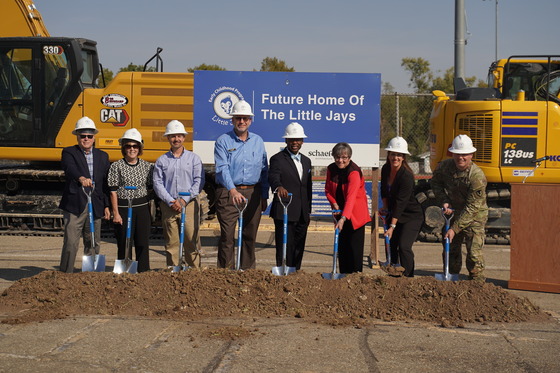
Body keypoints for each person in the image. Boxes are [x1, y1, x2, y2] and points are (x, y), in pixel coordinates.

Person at [214, 100, 269, 270]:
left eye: (245, 118)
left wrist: (264, 196)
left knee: (249, 236)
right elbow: (222, 168)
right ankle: (225, 273)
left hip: (253, 193)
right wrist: (232, 190)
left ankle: (247, 273)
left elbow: (264, 169)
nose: (242, 121)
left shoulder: (258, 141)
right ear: (232, 120)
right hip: (228, 193)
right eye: (238, 118)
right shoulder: (223, 141)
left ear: (250, 120)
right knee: (227, 236)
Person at [431, 134, 488, 281]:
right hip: (454, 212)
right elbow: (435, 183)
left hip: (475, 216)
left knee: (474, 254)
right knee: (451, 250)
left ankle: (476, 283)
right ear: (452, 154)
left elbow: (472, 208)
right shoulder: (444, 167)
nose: (461, 158)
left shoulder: (476, 176)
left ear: (471, 155)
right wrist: (444, 201)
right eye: (457, 154)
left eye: (464, 155)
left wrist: (454, 229)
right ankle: (452, 279)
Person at [59, 116, 110, 273]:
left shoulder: (103, 156)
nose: (86, 139)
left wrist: (107, 205)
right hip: (75, 203)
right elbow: (69, 168)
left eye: (89, 136)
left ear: (94, 137)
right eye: (83, 136)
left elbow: (105, 183)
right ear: (77, 137)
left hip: (95, 204)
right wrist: (81, 178)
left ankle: (89, 275)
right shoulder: (69, 152)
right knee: (71, 242)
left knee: (93, 241)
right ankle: (65, 274)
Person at [153, 120, 205, 269]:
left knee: (191, 239)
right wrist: (170, 201)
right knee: (172, 242)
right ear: (168, 138)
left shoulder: (193, 159)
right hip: (169, 206)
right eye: (172, 136)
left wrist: (184, 200)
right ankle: (173, 271)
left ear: (184, 137)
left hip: (189, 205)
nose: (176, 139)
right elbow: (158, 183)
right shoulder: (162, 160)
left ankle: (194, 272)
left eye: (179, 136)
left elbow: (198, 181)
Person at [107, 129, 154, 272]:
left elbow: (151, 189)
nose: (132, 149)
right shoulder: (116, 166)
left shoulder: (147, 167)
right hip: (123, 207)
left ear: (140, 148)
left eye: (135, 146)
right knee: (124, 242)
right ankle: (124, 271)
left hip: (141, 208)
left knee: (142, 242)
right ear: (124, 148)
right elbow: (113, 191)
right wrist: (116, 213)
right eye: (128, 146)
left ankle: (143, 271)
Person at [268, 122, 313, 270]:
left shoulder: (307, 161)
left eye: (298, 139)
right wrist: (278, 187)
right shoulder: (277, 159)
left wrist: (308, 211)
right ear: (286, 140)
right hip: (285, 210)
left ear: (302, 141)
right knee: (284, 245)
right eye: (292, 139)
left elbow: (308, 187)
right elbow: (273, 177)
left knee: (299, 246)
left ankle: (295, 273)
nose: (295, 142)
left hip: (302, 212)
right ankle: (283, 271)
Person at [380, 137, 424, 277]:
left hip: (411, 215)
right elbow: (384, 190)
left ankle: (408, 278)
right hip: (394, 212)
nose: (395, 157)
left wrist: (392, 226)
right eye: (393, 154)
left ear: (403, 157)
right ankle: (393, 276)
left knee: (404, 247)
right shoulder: (386, 169)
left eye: (399, 155)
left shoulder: (406, 176)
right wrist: (385, 206)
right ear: (388, 155)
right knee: (391, 245)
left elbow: (401, 202)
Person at [325, 142, 371, 273]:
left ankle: (356, 278)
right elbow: (327, 190)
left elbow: (351, 197)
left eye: (344, 157)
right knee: (342, 248)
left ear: (349, 157)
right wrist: (334, 203)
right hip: (339, 212)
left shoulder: (354, 172)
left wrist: (343, 218)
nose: (340, 160)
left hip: (355, 215)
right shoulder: (331, 169)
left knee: (354, 250)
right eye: (337, 157)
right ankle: (343, 277)